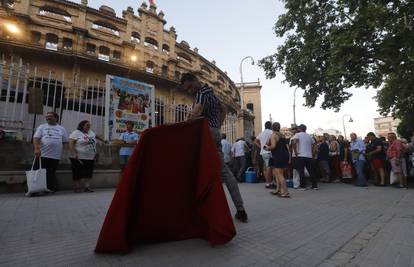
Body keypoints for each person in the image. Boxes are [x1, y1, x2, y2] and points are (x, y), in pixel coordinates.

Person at [180, 72, 248, 223]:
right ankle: (240, 208)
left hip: (204, 134)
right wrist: (217, 125)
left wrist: (188, 119)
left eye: (190, 87)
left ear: (195, 81)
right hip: (215, 132)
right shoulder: (211, 94)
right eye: (188, 89)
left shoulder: (201, 94)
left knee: (193, 169)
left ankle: (195, 209)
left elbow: (194, 115)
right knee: (223, 171)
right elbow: (223, 109)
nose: (190, 91)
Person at [33, 112, 68, 193]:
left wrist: (64, 152)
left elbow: (65, 141)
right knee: (37, 171)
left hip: (55, 156)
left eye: (50, 116)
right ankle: (35, 189)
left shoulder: (61, 128)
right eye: (47, 116)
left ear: (56, 118)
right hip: (42, 154)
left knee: (50, 172)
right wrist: (36, 149)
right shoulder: (42, 127)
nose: (48, 118)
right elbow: (36, 138)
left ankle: (48, 188)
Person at [68, 120, 105, 193]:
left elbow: (96, 136)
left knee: (89, 172)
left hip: (90, 157)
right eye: (87, 125)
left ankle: (87, 187)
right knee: (77, 172)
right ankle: (77, 187)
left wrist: (103, 140)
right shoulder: (76, 133)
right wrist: (74, 153)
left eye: (89, 125)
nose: (89, 126)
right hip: (78, 156)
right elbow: (71, 143)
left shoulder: (91, 132)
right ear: (82, 125)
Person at [265, 122, 290, 198]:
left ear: (272, 128)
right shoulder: (282, 135)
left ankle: (285, 192)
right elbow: (287, 146)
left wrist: (267, 147)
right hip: (284, 154)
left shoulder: (273, 135)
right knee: (277, 173)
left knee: (279, 174)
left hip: (278, 155)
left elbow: (273, 146)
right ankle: (278, 190)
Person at [291, 124, 317, 190]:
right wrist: (313, 153)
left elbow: (294, 142)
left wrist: (296, 152)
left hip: (301, 155)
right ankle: (315, 186)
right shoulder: (309, 136)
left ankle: (303, 186)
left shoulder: (297, 135)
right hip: (309, 156)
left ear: (299, 129)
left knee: (301, 171)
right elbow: (314, 145)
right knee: (311, 171)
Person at [256, 121, 274, 189]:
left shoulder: (261, 133)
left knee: (265, 168)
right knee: (269, 168)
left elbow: (256, 141)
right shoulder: (271, 132)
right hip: (269, 152)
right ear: (270, 126)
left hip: (263, 152)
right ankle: (269, 183)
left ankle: (268, 183)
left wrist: (261, 146)